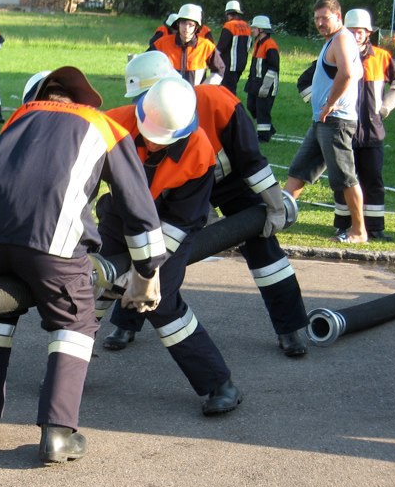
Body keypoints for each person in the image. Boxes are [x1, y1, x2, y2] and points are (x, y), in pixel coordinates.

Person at [0, 67, 166, 463]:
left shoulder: (17, 120)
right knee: (75, 321)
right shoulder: (101, 125)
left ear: (36, 97)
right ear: (81, 99)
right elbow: (138, 206)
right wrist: (147, 270)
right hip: (52, 245)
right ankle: (57, 433)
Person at [104, 51, 309, 358]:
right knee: (148, 249)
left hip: (231, 183)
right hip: (179, 186)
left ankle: (289, 328)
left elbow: (251, 160)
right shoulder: (146, 122)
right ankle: (126, 321)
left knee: (265, 249)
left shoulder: (219, 102)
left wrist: (275, 203)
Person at [97, 76, 242, 415]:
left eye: (162, 139)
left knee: (159, 303)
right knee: (96, 287)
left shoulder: (199, 151)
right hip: (120, 215)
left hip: (168, 225)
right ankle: (64, 380)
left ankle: (219, 384)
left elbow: (180, 221)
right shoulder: (113, 124)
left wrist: (146, 270)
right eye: (149, 134)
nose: (153, 145)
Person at [283, 0, 366, 243]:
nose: (320, 23)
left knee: (345, 178)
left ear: (338, 17)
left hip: (336, 121)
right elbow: (356, 72)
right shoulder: (336, 40)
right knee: (299, 170)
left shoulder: (341, 39)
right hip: (323, 121)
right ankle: (275, 219)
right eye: (317, 18)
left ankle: (359, 231)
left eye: (325, 18)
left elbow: (348, 73)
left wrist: (330, 103)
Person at [332, 8, 395, 241]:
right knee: (345, 180)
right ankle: (342, 225)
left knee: (373, 179)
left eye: (359, 31)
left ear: (368, 33)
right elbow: (307, 82)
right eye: (351, 31)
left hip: (372, 132)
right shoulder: (336, 52)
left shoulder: (381, 56)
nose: (355, 35)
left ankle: (376, 228)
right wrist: (325, 105)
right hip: (343, 131)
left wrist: (387, 105)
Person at [149, 3, 225, 86]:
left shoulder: (206, 46)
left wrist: (205, 87)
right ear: (178, 24)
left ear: (196, 27)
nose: (186, 28)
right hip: (169, 92)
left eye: (191, 24)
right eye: (183, 23)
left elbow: (220, 70)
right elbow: (146, 63)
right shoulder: (162, 43)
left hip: (195, 93)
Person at [245, 15, 280, 142]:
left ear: (261, 30)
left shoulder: (270, 45)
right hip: (255, 83)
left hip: (266, 84)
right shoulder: (258, 43)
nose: (252, 30)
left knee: (262, 110)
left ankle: (264, 136)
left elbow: (273, 68)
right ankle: (268, 129)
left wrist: (265, 87)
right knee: (251, 106)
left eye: (254, 28)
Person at [216, 0, 251, 94]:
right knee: (232, 87)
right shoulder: (247, 26)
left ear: (228, 14)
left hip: (229, 65)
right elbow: (249, 45)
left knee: (227, 91)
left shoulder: (229, 25)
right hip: (241, 64)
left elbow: (221, 46)